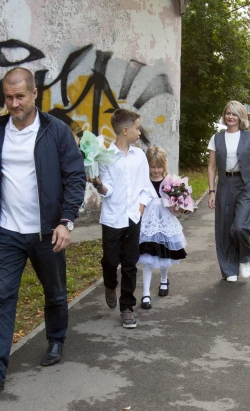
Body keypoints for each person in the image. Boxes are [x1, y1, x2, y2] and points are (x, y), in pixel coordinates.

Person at [0, 67, 86, 390]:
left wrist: (66, 221)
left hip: (47, 232)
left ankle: (56, 338)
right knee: (2, 296)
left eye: (20, 96)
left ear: (34, 94)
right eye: (8, 97)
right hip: (7, 233)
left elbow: (76, 177)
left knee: (55, 291)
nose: (14, 103)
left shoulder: (56, 132)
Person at [90, 109, 155, 328]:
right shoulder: (106, 156)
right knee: (110, 261)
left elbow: (146, 187)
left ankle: (127, 307)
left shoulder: (139, 157)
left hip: (133, 217)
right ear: (125, 130)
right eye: (137, 128)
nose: (139, 132)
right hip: (112, 218)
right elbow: (107, 191)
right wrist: (98, 184)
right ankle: (110, 284)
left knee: (129, 263)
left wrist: (141, 208)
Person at [207, 101, 250, 282]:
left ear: (240, 116)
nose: (230, 117)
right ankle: (229, 269)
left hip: (245, 185)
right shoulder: (216, 138)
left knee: (240, 227)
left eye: (234, 114)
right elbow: (211, 167)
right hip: (225, 185)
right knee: (224, 229)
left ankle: (243, 257)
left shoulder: (249, 137)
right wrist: (211, 191)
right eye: (227, 113)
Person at [138, 146, 187, 309]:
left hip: (165, 222)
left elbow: (178, 208)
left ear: (164, 165)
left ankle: (164, 279)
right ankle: (145, 293)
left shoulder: (171, 183)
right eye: (152, 166)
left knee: (165, 253)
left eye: (159, 166)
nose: (156, 170)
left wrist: (178, 205)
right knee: (147, 257)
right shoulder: (142, 181)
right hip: (148, 223)